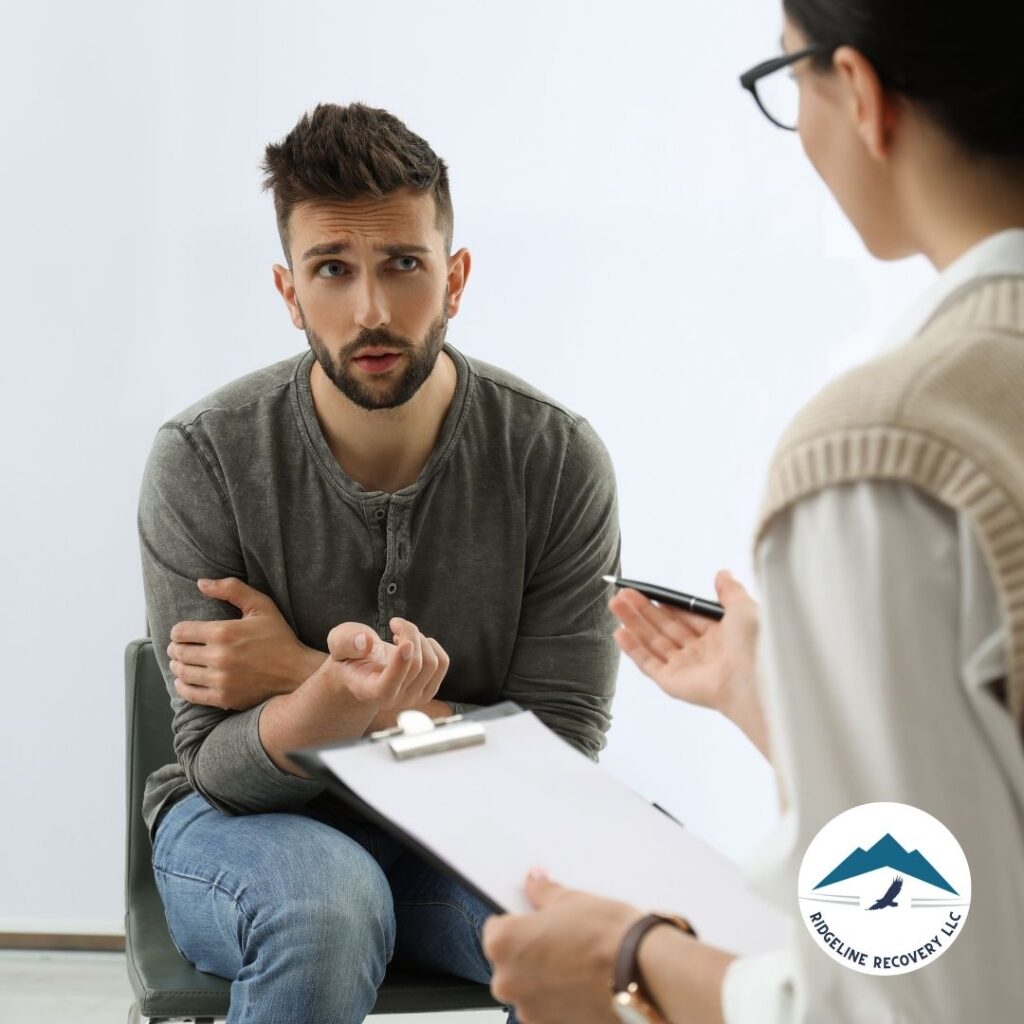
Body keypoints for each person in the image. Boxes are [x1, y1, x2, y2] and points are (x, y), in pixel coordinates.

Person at [482, 1, 1024, 1020]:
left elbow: (909, 991)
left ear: (859, 93)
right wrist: (774, 698)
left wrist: (633, 961)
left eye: (788, 79)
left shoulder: (881, 453)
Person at [137, 102, 620, 1024]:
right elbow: (216, 769)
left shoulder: (553, 457)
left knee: (609, 913)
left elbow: (559, 764)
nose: (372, 310)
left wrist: (310, 680)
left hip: (468, 831)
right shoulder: (203, 457)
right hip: (249, 829)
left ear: (455, 277)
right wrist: (362, 699)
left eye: (404, 264)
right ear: (289, 292)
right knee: (325, 907)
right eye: (332, 270)